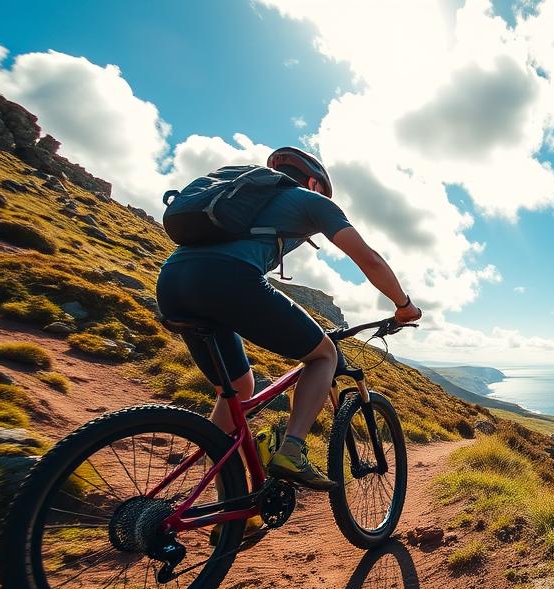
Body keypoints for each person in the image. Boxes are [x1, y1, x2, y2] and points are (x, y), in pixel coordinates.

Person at [156, 147, 422, 490]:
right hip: (227, 279)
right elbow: (368, 259)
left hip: (172, 281)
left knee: (236, 390)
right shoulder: (312, 200)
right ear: (315, 182)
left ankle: (232, 503)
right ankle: (291, 451)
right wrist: (404, 305)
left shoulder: (248, 200)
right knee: (323, 354)